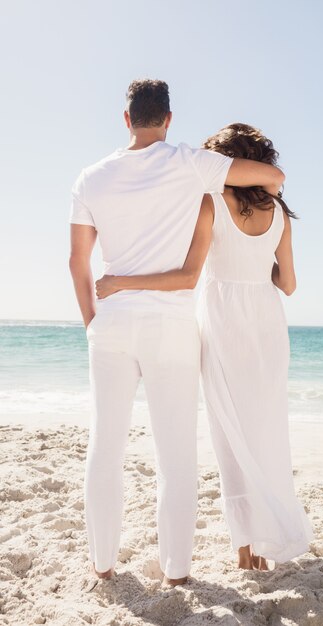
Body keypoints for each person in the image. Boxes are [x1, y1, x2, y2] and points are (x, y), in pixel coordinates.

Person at [69, 83, 286, 585]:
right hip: (170, 326)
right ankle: (176, 574)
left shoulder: (91, 177)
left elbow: (78, 260)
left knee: (105, 446)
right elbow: (273, 177)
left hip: (113, 322)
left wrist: (93, 323)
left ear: (126, 120)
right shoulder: (190, 163)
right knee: (176, 454)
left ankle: (102, 565)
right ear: (168, 119)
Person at [95, 123, 315, 571]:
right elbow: (288, 284)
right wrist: (259, 272)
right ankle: (271, 535)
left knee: (228, 432)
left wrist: (120, 281)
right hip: (267, 321)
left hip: (222, 319)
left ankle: (245, 550)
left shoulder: (210, 203)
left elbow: (189, 275)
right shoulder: (280, 213)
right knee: (267, 428)